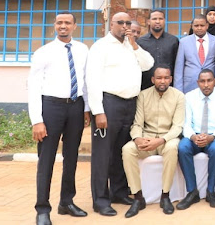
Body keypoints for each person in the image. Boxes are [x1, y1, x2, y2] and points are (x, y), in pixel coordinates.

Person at [86, 12, 154, 216]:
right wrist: (98, 111)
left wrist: (133, 43)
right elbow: (92, 80)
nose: (125, 26)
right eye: (121, 23)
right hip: (109, 104)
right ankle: (100, 199)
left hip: (130, 105)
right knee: (103, 154)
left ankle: (119, 192)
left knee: (121, 151)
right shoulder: (101, 47)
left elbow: (148, 64)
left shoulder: (130, 46)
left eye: (128, 23)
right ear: (111, 25)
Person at [28, 12, 91, 225]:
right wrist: (37, 120)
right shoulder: (43, 52)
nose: (63, 26)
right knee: (46, 160)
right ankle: (42, 209)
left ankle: (66, 202)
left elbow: (85, 81)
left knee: (71, 158)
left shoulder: (83, 50)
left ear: (74, 26)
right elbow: (33, 87)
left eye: (67, 23)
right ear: (55, 25)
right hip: (51, 107)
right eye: (59, 23)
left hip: (76, 106)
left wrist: (87, 108)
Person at [121, 64, 185, 218]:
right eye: (159, 78)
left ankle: (165, 196)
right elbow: (137, 123)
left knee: (172, 147)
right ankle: (138, 197)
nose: (162, 81)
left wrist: (161, 140)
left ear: (170, 79)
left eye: (165, 78)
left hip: (166, 138)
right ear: (153, 79)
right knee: (127, 149)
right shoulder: (143, 95)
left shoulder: (179, 96)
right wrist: (137, 138)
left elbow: (178, 127)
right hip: (147, 138)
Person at [176, 68, 215, 210]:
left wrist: (212, 137)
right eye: (202, 81)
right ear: (197, 82)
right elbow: (185, 123)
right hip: (195, 136)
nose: (206, 85)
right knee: (182, 147)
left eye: (209, 81)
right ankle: (192, 191)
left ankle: (211, 191)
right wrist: (193, 136)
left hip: (213, 136)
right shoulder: (189, 97)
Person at [174, 15, 215, 93]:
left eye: (202, 25)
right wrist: (178, 92)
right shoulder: (184, 42)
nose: (199, 28)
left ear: (207, 26)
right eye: (196, 26)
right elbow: (179, 68)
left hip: (210, 86)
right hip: (189, 86)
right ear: (192, 26)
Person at [138, 10, 180, 91]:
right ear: (148, 22)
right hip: (146, 87)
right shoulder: (141, 42)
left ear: (164, 21)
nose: (157, 21)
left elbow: (177, 64)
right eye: (154, 19)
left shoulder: (173, 41)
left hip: (168, 87)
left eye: (160, 19)